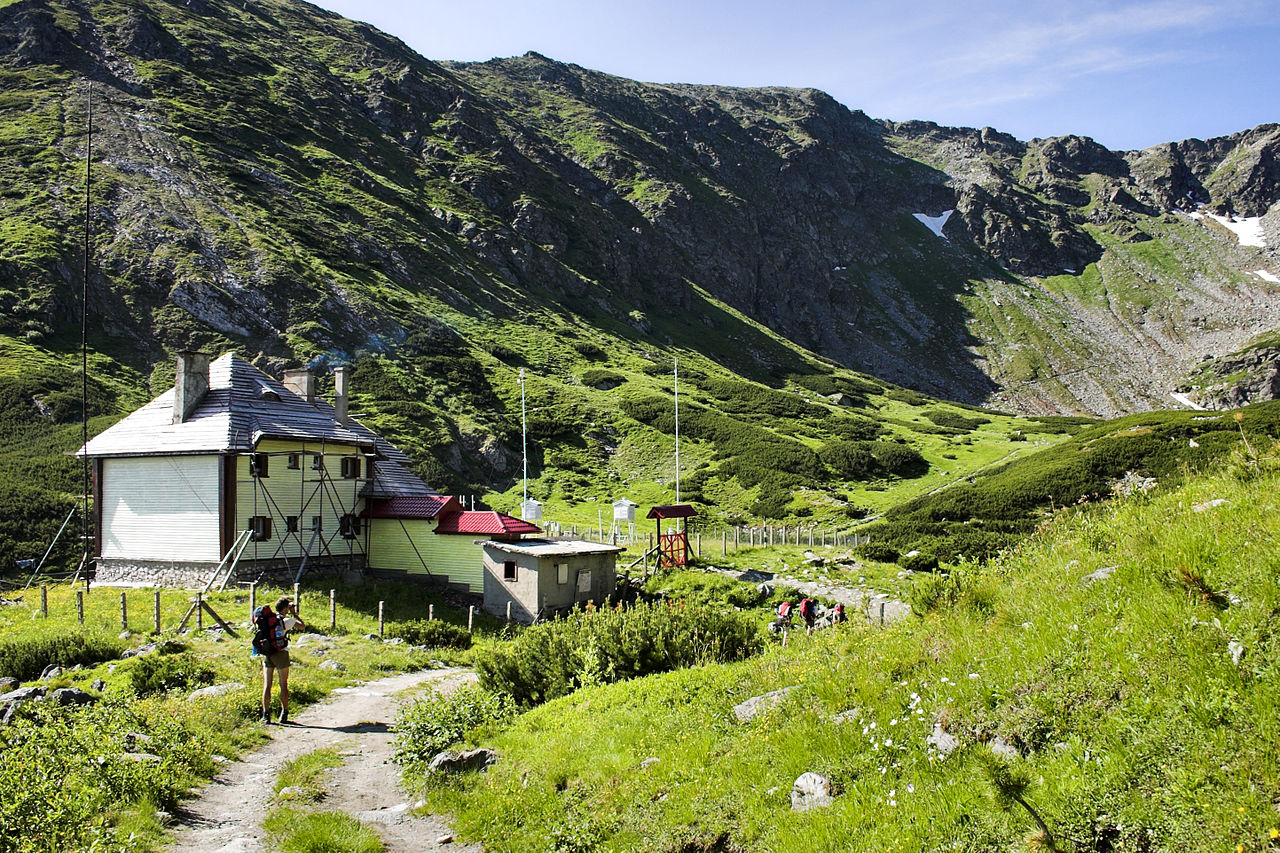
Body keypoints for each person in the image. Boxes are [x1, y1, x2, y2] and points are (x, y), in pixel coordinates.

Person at [260, 596, 305, 724]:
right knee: (283, 684)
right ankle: (284, 713)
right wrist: (295, 614)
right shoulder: (287, 620)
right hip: (281, 653)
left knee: (267, 684)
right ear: (286, 608)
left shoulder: (269, 620)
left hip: (268, 652)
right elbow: (302, 626)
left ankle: (266, 715)